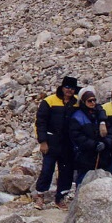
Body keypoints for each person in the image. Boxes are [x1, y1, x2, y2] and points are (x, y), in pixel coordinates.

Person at [34, 76, 79, 210]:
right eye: (67, 87)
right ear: (62, 87)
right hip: (51, 141)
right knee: (47, 169)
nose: (69, 90)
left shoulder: (77, 103)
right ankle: (40, 196)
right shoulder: (49, 101)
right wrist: (42, 141)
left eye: (72, 88)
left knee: (66, 172)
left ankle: (60, 198)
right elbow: (40, 122)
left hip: (68, 144)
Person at [70, 86, 112, 188]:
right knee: (83, 181)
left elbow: (110, 131)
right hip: (85, 156)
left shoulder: (100, 114)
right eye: (90, 101)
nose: (93, 103)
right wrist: (94, 145)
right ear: (84, 102)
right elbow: (77, 137)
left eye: (94, 100)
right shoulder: (77, 117)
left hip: (101, 155)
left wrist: (105, 143)